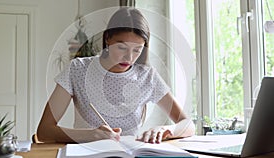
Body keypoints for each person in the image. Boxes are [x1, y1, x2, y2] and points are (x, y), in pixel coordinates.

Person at [37, 7, 195, 144]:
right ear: (108, 39)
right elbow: (44, 131)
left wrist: (167, 129)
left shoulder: (147, 76)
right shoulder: (78, 69)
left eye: (137, 50)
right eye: (121, 47)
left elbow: (188, 124)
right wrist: (89, 135)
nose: (129, 57)